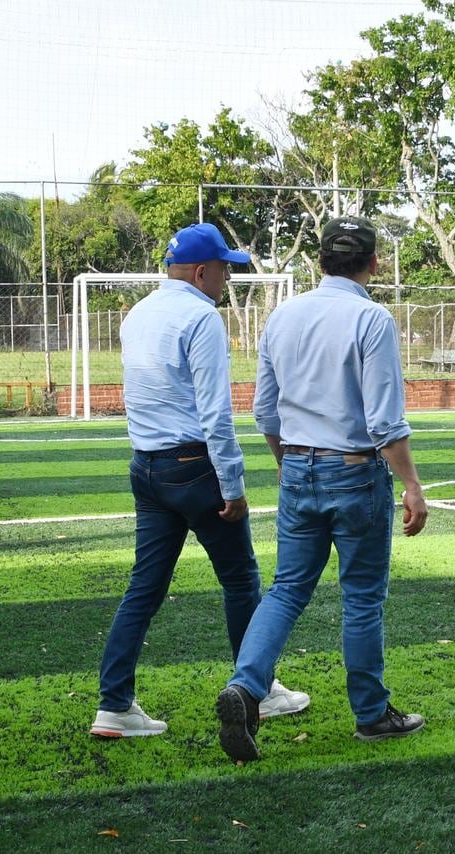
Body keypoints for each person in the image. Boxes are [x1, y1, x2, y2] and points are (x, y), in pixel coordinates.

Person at [215, 215, 429, 764]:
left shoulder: (282, 316)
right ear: (373, 262)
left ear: (320, 261)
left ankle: (246, 687)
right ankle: (372, 714)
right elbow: (384, 421)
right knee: (360, 597)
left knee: (286, 589)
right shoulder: (371, 318)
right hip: (355, 473)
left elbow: (265, 409)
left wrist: (288, 463)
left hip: (299, 470)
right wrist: (411, 483)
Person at [90, 223, 309, 738]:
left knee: (143, 587)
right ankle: (257, 688)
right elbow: (216, 414)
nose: (228, 279)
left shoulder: (138, 314)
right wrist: (232, 485)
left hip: (146, 465)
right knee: (240, 579)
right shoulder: (201, 319)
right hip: (194, 467)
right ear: (202, 271)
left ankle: (113, 704)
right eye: (226, 269)